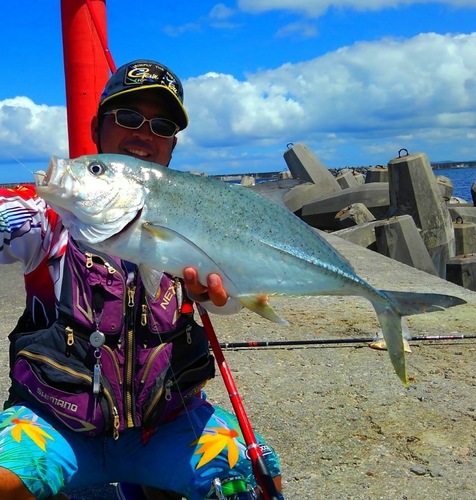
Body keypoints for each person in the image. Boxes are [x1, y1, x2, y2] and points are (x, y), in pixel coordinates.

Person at [0, 60, 283, 500]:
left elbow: (225, 302)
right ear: (97, 127)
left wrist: (219, 296)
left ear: (171, 146)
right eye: (128, 117)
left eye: (162, 125)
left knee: (259, 482)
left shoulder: (195, 220)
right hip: (52, 422)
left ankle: (149, 484)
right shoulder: (46, 217)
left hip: (165, 423)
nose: (143, 134)